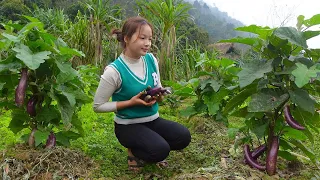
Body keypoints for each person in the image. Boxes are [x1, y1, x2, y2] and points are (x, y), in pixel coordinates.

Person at [93, 16, 191, 172]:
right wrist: (131, 103)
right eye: (142, 38)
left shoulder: (151, 60)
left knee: (183, 136)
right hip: (128, 126)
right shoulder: (114, 71)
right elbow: (98, 106)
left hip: (153, 120)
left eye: (150, 39)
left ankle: (152, 144)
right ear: (126, 38)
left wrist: (159, 95)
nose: (147, 43)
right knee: (160, 150)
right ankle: (134, 151)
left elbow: (157, 86)